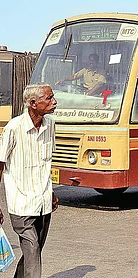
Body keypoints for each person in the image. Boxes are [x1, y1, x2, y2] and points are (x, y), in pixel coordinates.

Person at [0, 83, 59, 278]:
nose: (54, 102)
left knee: (33, 251)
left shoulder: (50, 125)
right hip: (21, 203)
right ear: (33, 103)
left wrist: (51, 193)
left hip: (43, 202)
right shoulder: (13, 128)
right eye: (49, 98)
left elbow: (45, 164)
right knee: (32, 248)